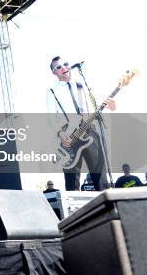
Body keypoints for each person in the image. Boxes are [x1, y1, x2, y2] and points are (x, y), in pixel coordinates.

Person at [46, 56, 115, 191]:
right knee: (72, 181)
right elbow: (50, 117)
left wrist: (111, 106)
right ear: (54, 72)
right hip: (67, 136)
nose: (64, 68)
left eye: (65, 64)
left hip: (89, 129)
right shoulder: (51, 90)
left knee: (99, 173)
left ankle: (109, 208)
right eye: (58, 67)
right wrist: (60, 134)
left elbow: (96, 105)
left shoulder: (82, 84)